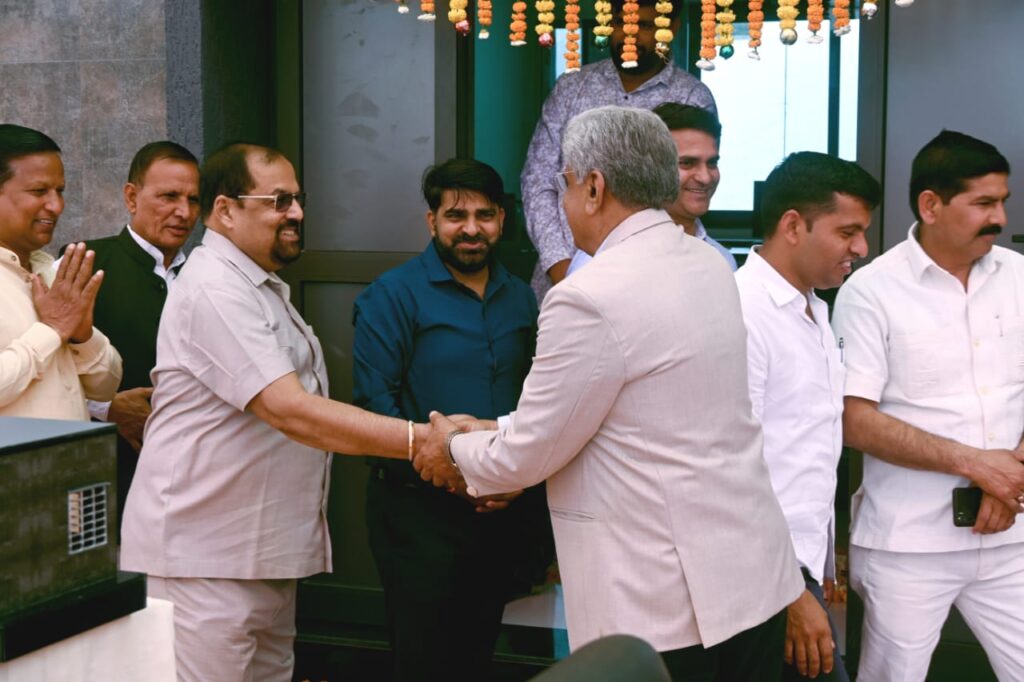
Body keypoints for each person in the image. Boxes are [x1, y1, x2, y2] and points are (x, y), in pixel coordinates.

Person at [413, 106, 804, 681]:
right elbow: (632, 409)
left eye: (566, 184)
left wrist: (450, 446)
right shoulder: (708, 263)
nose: (565, 201)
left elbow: (530, 453)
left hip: (665, 601)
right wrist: (492, 428)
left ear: (594, 187)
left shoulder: (588, 295)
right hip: (751, 576)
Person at [120, 143, 435, 682]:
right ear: (225, 211)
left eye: (298, 199)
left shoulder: (257, 285)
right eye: (279, 201)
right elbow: (291, 411)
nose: (297, 213)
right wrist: (424, 441)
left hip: (259, 558)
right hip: (204, 565)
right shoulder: (215, 288)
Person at [832, 130, 1024, 681]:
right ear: (931, 205)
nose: (999, 218)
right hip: (909, 544)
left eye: (1002, 201)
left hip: (1010, 532)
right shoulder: (871, 291)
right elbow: (854, 420)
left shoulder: (1019, 276)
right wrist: (977, 465)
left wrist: (1008, 482)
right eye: (983, 203)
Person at [352, 158, 553, 682]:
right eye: (455, 215)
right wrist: (456, 478)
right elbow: (375, 408)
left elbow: (537, 403)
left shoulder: (520, 297)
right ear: (431, 222)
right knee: (426, 664)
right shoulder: (392, 295)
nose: (471, 229)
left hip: (500, 517)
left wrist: (512, 479)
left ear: (502, 220)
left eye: (484, 215)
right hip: (418, 519)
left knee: (477, 657)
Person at [734, 152, 881, 681]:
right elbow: (734, 467)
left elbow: (807, 447)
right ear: (793, 225)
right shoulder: (743, 311)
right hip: (761, 575)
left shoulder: (816, 308)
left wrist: (821, 562)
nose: (861, 249)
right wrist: (792, 590)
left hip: (797, 569)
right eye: (847, 232)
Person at [520, 0, 716, 302]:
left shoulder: (691, 97)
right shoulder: (571, 89)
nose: (629, 35)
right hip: (558, 284)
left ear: (672, 26)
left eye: (646, 25)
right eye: (620, 22)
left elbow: (682, 196)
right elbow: (537, 181)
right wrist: (563, 270)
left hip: (649, 289)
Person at [61, 141, 200, 529]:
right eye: (169, 196)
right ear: (131, 197)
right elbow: (45, 376)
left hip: (196, 481)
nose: (183, 212)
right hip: (109, 475)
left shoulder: (207, 275)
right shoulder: (83, 264)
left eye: (193, 199)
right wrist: (105, 409)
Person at [0, 123, 121, 420]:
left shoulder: (51, 272)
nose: (56, 206)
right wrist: (51, 331)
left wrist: (82, 335)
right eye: (38, 191)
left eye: (60, 191)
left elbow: (107, 386)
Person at [568, 102, 735, 275]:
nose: (705, 177)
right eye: (687, 163)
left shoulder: (722, 260)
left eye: (712, 163)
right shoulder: (598, 262)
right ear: (650, 167)